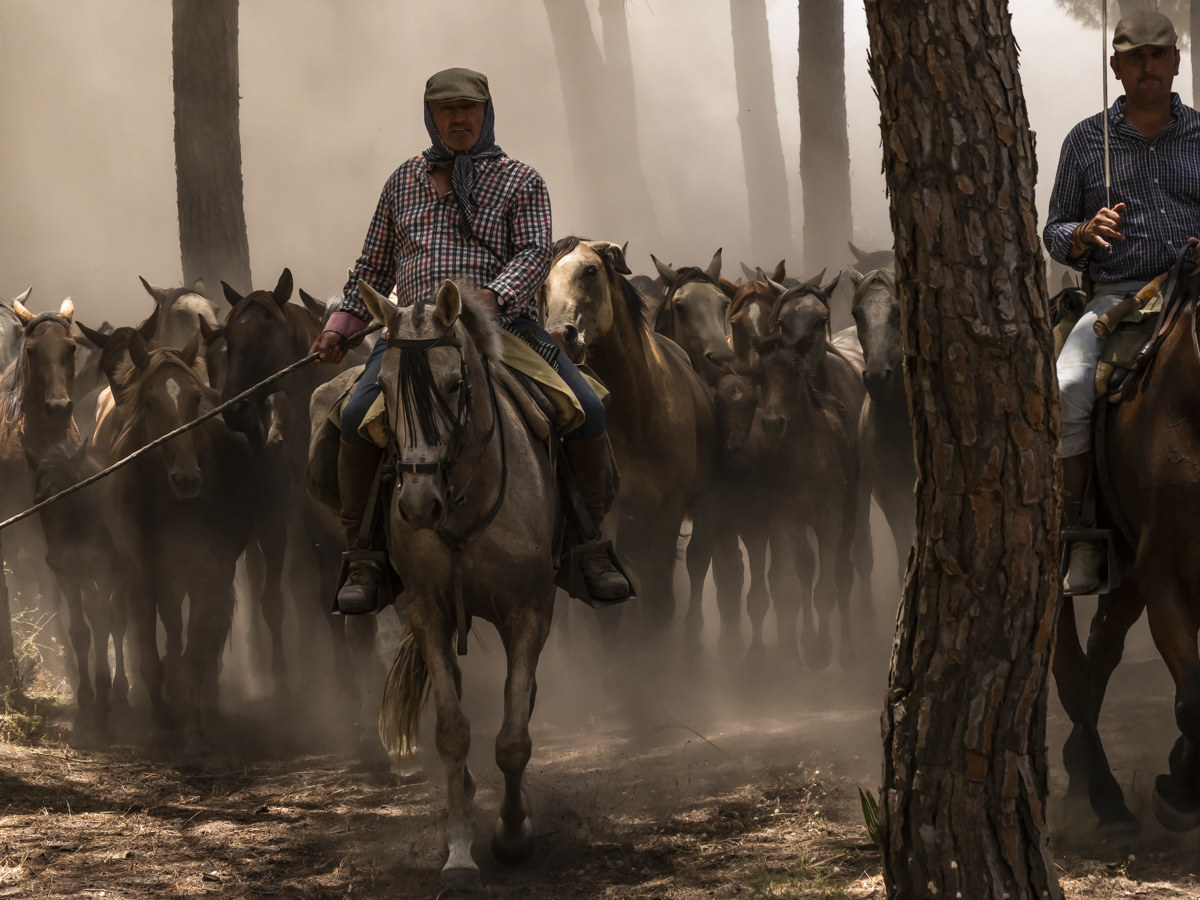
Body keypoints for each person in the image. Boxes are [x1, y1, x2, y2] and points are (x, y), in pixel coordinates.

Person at [310, 67, 630, 613]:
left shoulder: (522, 180)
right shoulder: (402, 181)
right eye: (446, 109)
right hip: (411, 335)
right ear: (431, 117)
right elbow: (372, 264)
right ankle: (364, 555)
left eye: (469, 107)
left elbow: (533, 254)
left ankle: (587, 544)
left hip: (504, 332)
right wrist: (338, 328)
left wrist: (495, 296)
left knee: (588, 410)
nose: (459, 117)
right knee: (353, 417)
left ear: (486, 112)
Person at [1043, 10, 1200, 595]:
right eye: (1135, 56)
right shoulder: (1087, 141)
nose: (1149, 65)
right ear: (1116, 68)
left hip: (1197, 290)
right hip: (1118, 299)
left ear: (1177, 61)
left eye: (1159, 54)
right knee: (1068, 384)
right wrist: (1081, 235)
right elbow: (1053, 229)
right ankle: (1082, 533)